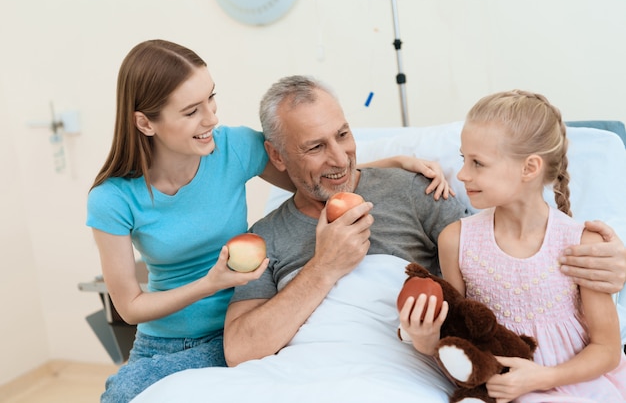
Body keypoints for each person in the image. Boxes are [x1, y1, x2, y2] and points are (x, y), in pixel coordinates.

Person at [86, 40, 453, 402]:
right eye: (191, 111)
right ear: (145, 123)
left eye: (211, 98)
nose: (211, 118)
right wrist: (211, 282)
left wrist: (397, 162)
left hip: (230, 330)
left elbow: (313, 172)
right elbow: (129, 307)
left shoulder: (232, 147)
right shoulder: (111, 198)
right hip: (163, 339)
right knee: (122, 394)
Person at [222, 76, 626, 368]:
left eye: (343, 134)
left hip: (396, 373)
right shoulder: (265, 236)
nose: (340, 158)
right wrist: (324, 268)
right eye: (315, 147)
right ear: (277, 157)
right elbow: (239, 351)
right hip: (299, 377)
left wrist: (608, 263)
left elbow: (498, 253)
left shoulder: (414, 191)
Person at [402, 90, 626, 402]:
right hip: (499, 391)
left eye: (478, 163)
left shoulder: (582, 244)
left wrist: (543, 377)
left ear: (530, 168)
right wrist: (426, 342)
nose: (463, 174)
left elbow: (608, 350)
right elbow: (459, 333)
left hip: (576, 386)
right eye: (463, 159)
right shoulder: (455, 240)